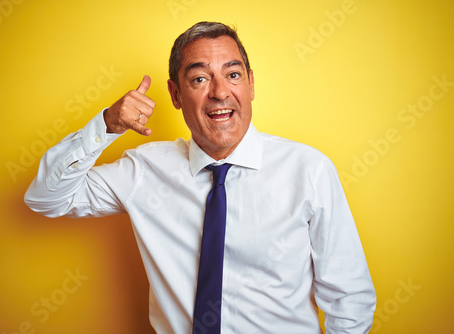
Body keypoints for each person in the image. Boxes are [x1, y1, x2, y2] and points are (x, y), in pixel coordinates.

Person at [25, 21, 376, 333]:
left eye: (233, 74)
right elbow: (46, 198)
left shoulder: (308, 169)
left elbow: (349, 297)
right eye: (199, 78)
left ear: (251, 84)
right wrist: (105, 126)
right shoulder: (143, 171)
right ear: (176, 94)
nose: (220, 92)